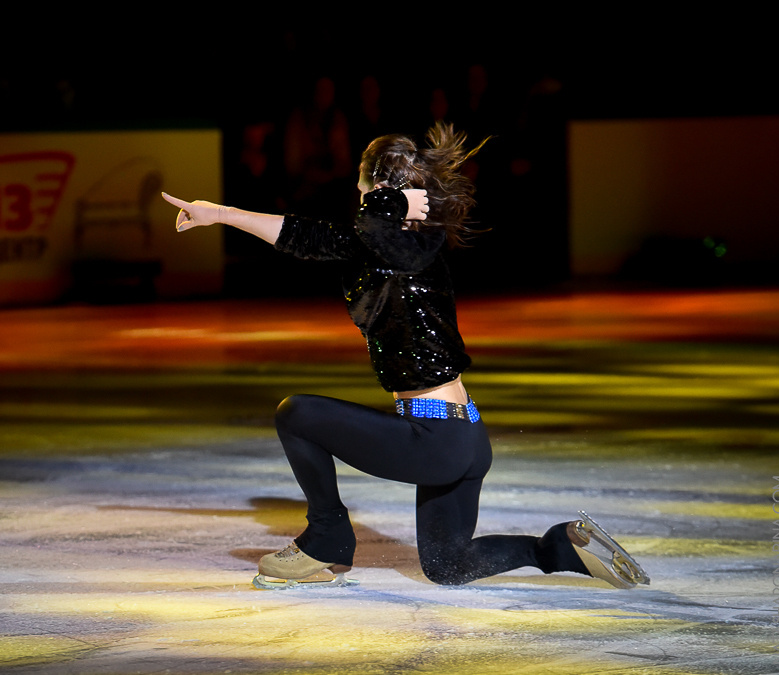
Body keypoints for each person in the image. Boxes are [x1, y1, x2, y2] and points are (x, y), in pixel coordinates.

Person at [162, 122, 649, 590]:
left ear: (374, 186)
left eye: (365, 189)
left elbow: (376, 229)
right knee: (447, 566)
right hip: (459, 436)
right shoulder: (377, 245)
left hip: (437, 437)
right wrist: (221, 213)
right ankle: (556, 549)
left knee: (297, 413)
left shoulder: (419, 242)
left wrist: (387, 197)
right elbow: (305, 236)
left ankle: (325, 536)